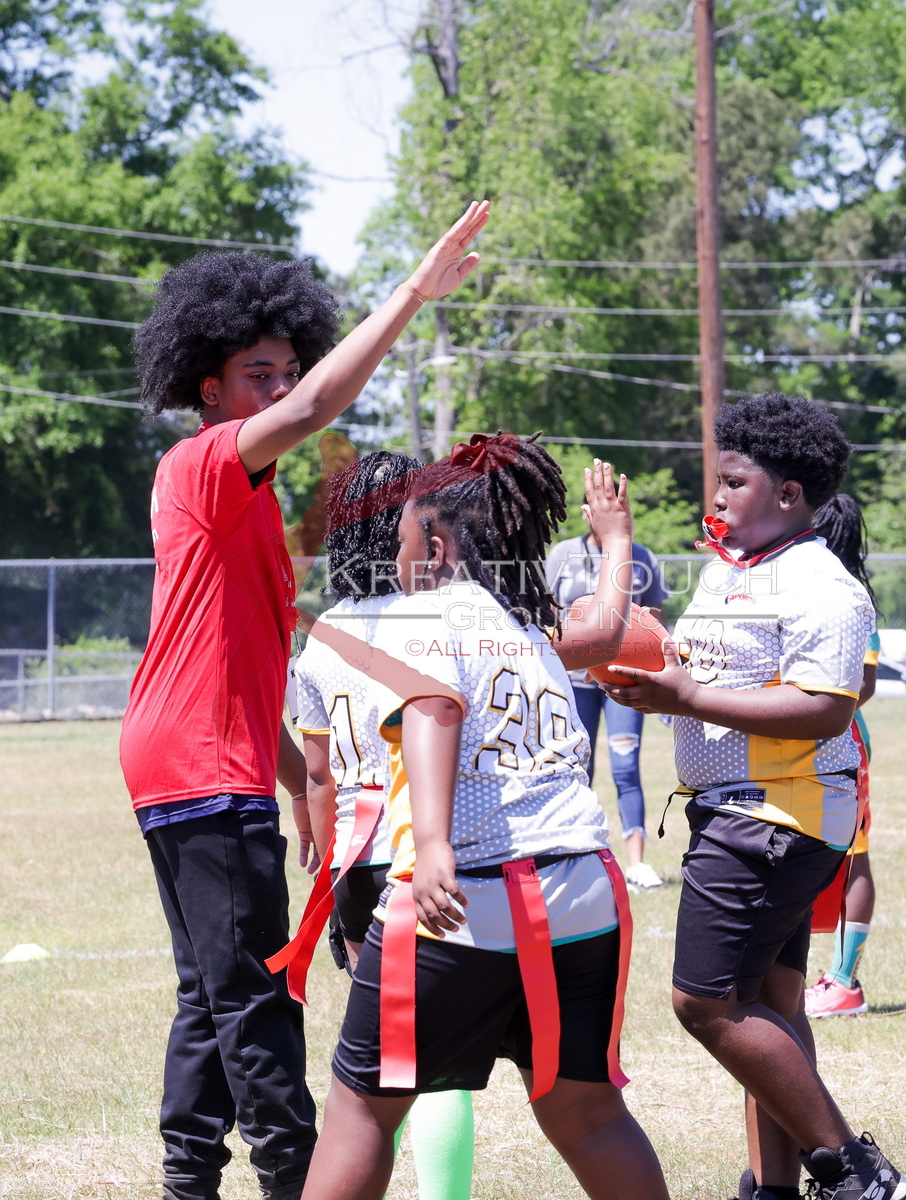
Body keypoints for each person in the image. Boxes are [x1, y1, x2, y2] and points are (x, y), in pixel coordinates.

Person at [119, 201, 490, 1200]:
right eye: (260, 375)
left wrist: (299, 781)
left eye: (290, 370)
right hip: (198, 762)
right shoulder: (206, 463)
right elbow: (325, 405)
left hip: (198, 755)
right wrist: (414, 292)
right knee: (256, 991)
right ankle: (295, 1182)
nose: (282, 389)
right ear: (209, 389)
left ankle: (189, 1185)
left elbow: (246, 670)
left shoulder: (248, 499)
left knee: (211, 991)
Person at [301, 441, 670, 1200]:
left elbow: (434, 705)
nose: (396, 546)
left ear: (436, 545)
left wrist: (433, 842)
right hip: (584, 885)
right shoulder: (525, 624)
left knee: (361, 1113)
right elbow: (605, 633)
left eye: (406, 530)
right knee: (589, 1113)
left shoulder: (420, 612)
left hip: (471, 890)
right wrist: (617, 542)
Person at [600, 394, 906, 1200]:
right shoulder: (731, 569)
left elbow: (826, 708)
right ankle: (772, 1188)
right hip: (741, 809)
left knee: (704, 1004)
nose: (718, 495)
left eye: (735, 482)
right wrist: (659, 671)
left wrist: (689, 698)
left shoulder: (821, 584)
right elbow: (710, 675)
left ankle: (853, 1170)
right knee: (769, 1000)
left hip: (773, 815)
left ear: (790, 494)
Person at [288, 450, 476, 1200]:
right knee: (439, 1053)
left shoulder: (323, 633)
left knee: (380, 1053)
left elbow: (319, 773)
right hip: (416, 845)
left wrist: (320, 842)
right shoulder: (428, 619)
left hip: (356, 855)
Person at [544, 498, 672, 890]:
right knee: (575, 766)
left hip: (623, 679)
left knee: (625, 766)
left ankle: (637, 863)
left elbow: (654, 619)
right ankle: (576, 857)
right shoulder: (563, 554)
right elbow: (547, 612)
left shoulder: (641, 556)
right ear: (585, 512)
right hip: (574, 682)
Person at [804, 494, 880, 1021]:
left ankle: (845, 982)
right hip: (809, 737)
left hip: (843, 739)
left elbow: (865, 683)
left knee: (855, 854)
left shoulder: (847, 594)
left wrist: (813, 713)